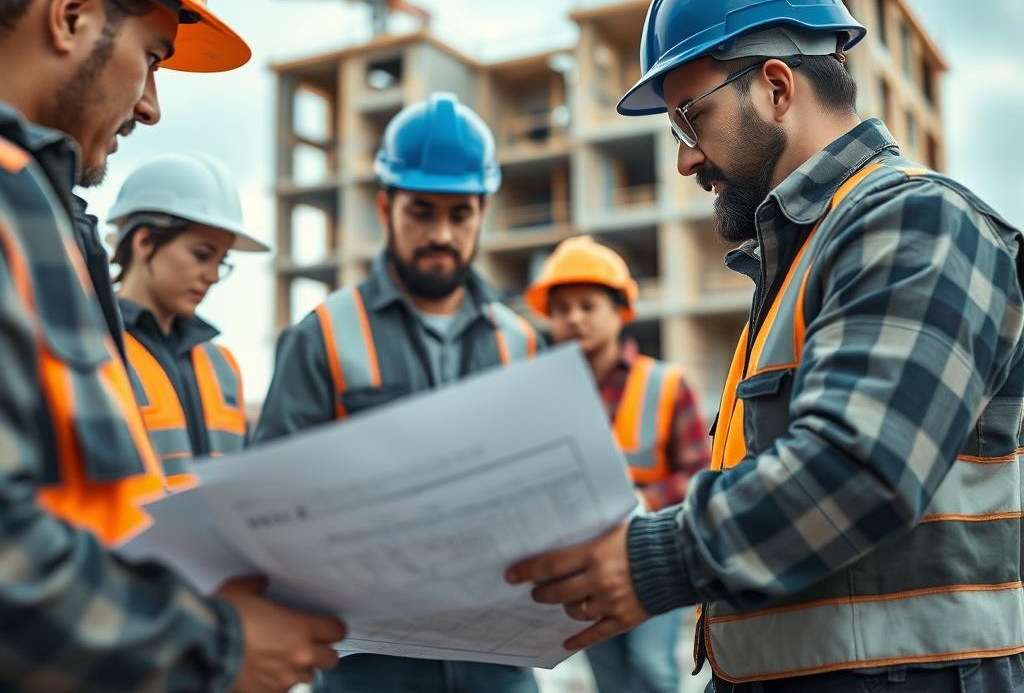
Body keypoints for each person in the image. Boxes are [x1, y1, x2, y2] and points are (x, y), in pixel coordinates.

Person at [507, 0, 1024, 693]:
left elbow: (858, 466)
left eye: (691, 119)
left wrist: (646, 560)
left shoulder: (918, 222)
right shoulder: (796, 265)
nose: (686, 160)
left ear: (777, 88)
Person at [0, 0, 344, 689]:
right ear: (72, 13)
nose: (151, 106)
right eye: (153, 58)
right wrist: (215, 645)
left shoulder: (43, 207)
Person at [254, 91, 542, 693]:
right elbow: (271, 510)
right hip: (372, 669)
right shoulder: (323, 337)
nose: (441, 233)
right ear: (385, 207)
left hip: (501, 665)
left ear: (483, 211)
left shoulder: (521, 343)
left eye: (460, 214)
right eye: (421, 211)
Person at [525, 235, 709, 693]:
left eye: (587, 305)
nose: (573, 318)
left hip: (650, 554)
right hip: (582, 565)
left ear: (619, 311)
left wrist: (641, 501)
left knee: (650, 672)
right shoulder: (544, 397)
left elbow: (700, 475)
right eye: (562, 308)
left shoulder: (667, 384)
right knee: (609, 681)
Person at [109, 152, 270, 488]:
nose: (212, 275)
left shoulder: (222, 366)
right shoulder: (96, 346)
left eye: (222, 261)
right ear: (145, 242)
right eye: (201, 255)